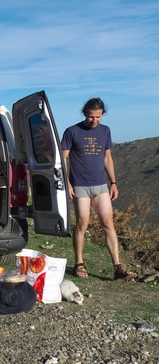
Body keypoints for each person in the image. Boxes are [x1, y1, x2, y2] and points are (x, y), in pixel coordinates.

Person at [61, 98, 136, 280]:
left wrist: (113, 182)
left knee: (108, 224)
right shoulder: (72, 131)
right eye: (90, 116)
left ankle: (118, 268)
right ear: (84, 113)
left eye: (98, 117)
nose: (94, 120)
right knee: (82, 224)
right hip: (79, 185)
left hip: (100, 185)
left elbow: (107, 158)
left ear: (102, 115)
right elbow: (63, 158)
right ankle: (79, 263)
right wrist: (67, 183)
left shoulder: (105, 131)